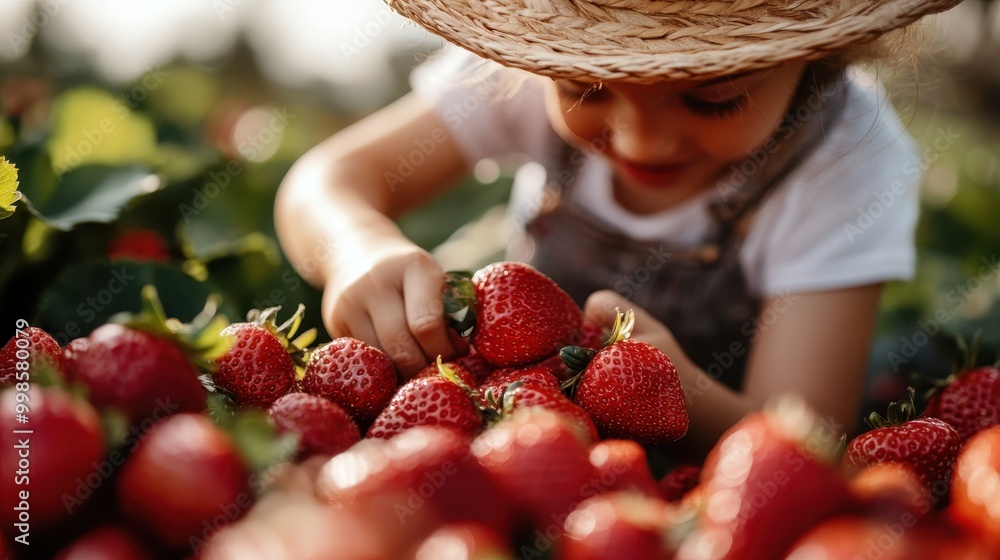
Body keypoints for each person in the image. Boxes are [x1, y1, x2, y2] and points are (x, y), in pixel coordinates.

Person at [275, 0, 962, 456]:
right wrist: (354, 245)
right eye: (585, 90)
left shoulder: (844, 155)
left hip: (699, 448)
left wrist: (673, 389)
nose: (642, 141)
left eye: (710, 98)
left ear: (820, 57)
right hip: (520, 431)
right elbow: (326, 180)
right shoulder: (528, 62)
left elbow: (805, 434)